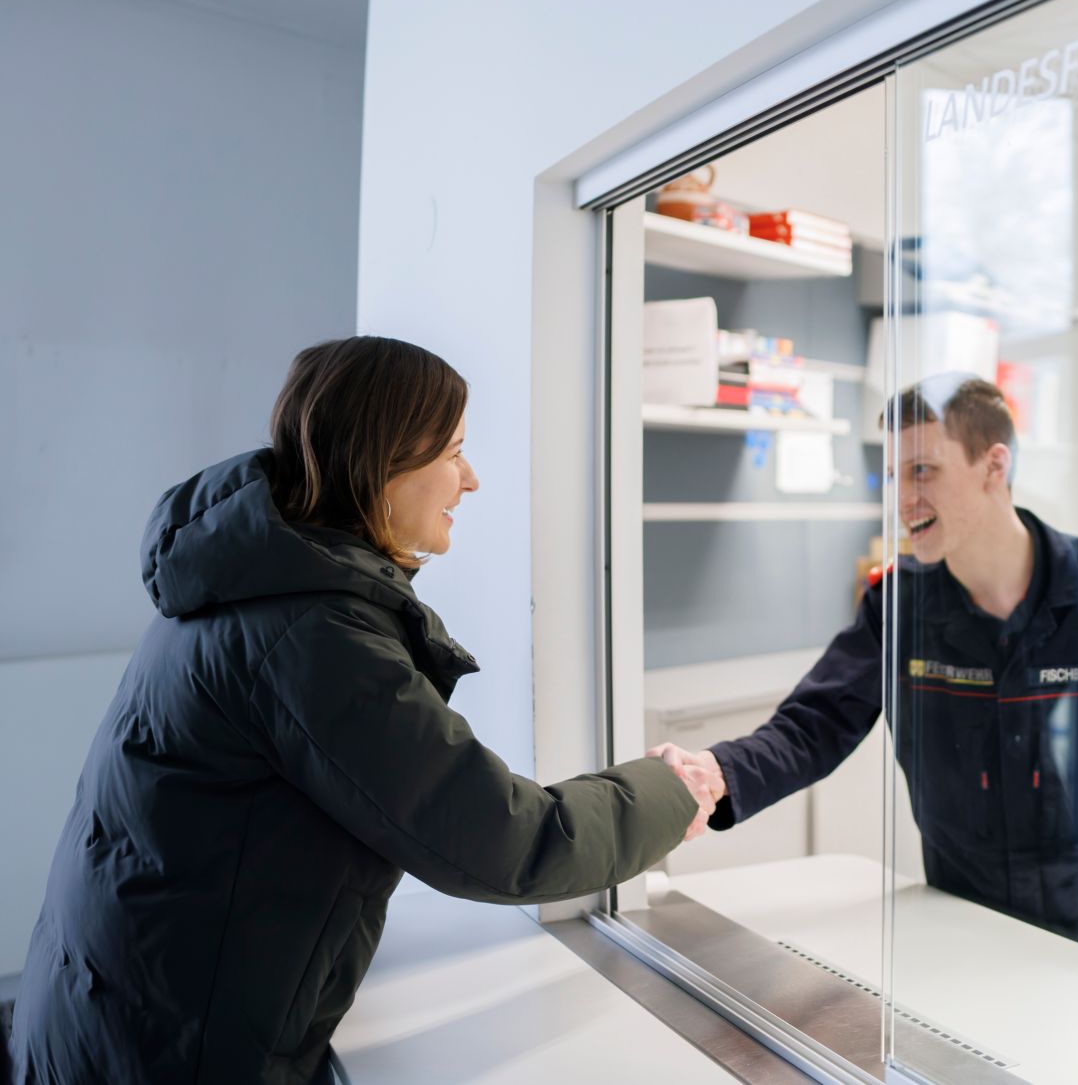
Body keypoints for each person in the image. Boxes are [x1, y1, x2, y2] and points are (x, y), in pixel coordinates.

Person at [7, 337, 717, 1085]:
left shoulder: (248, 584)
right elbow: (503, 840)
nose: (469, 479)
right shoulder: (308, 634)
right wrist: (671, 790)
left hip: (112, 1020)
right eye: (453, 452)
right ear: (381, 464)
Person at [649, 375, 1078, 945]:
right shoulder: (900, 604)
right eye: (894, 476)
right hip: (962, 922)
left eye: (923, 470)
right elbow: (812, 729)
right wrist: (718, 774)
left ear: (995, 467)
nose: (903, 499)